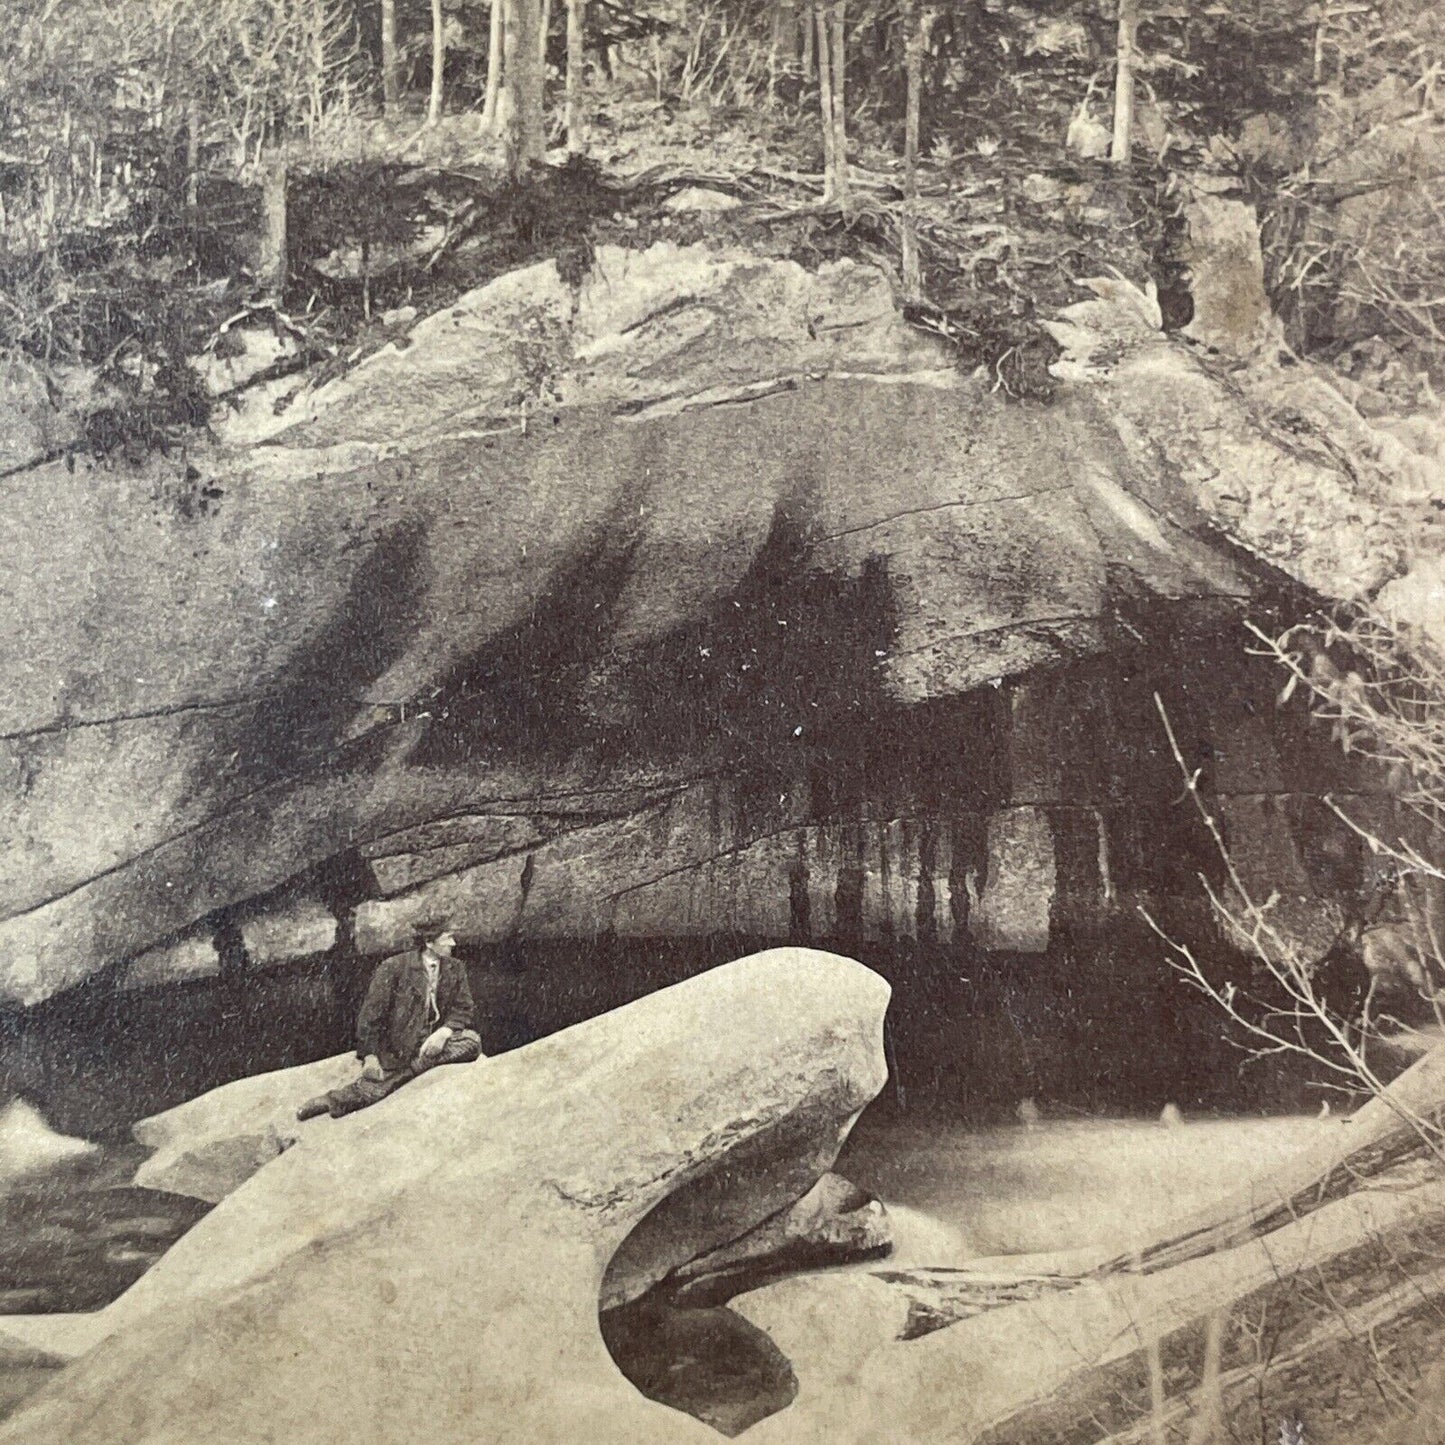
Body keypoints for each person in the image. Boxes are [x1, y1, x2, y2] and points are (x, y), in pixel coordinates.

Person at [298, 921, 482, 1120]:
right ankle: (332, 1100)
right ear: (429, 943)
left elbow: (463, 1008)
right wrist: (369, 1054)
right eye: (447, 939)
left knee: (472, 1042)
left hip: (431, 1043)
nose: (453, 944)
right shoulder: (394, 967)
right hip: (398, 1045)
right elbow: (371, 1015)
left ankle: (406, 1071)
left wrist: (443, 1033)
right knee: (373, 1091)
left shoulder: (456, 967)